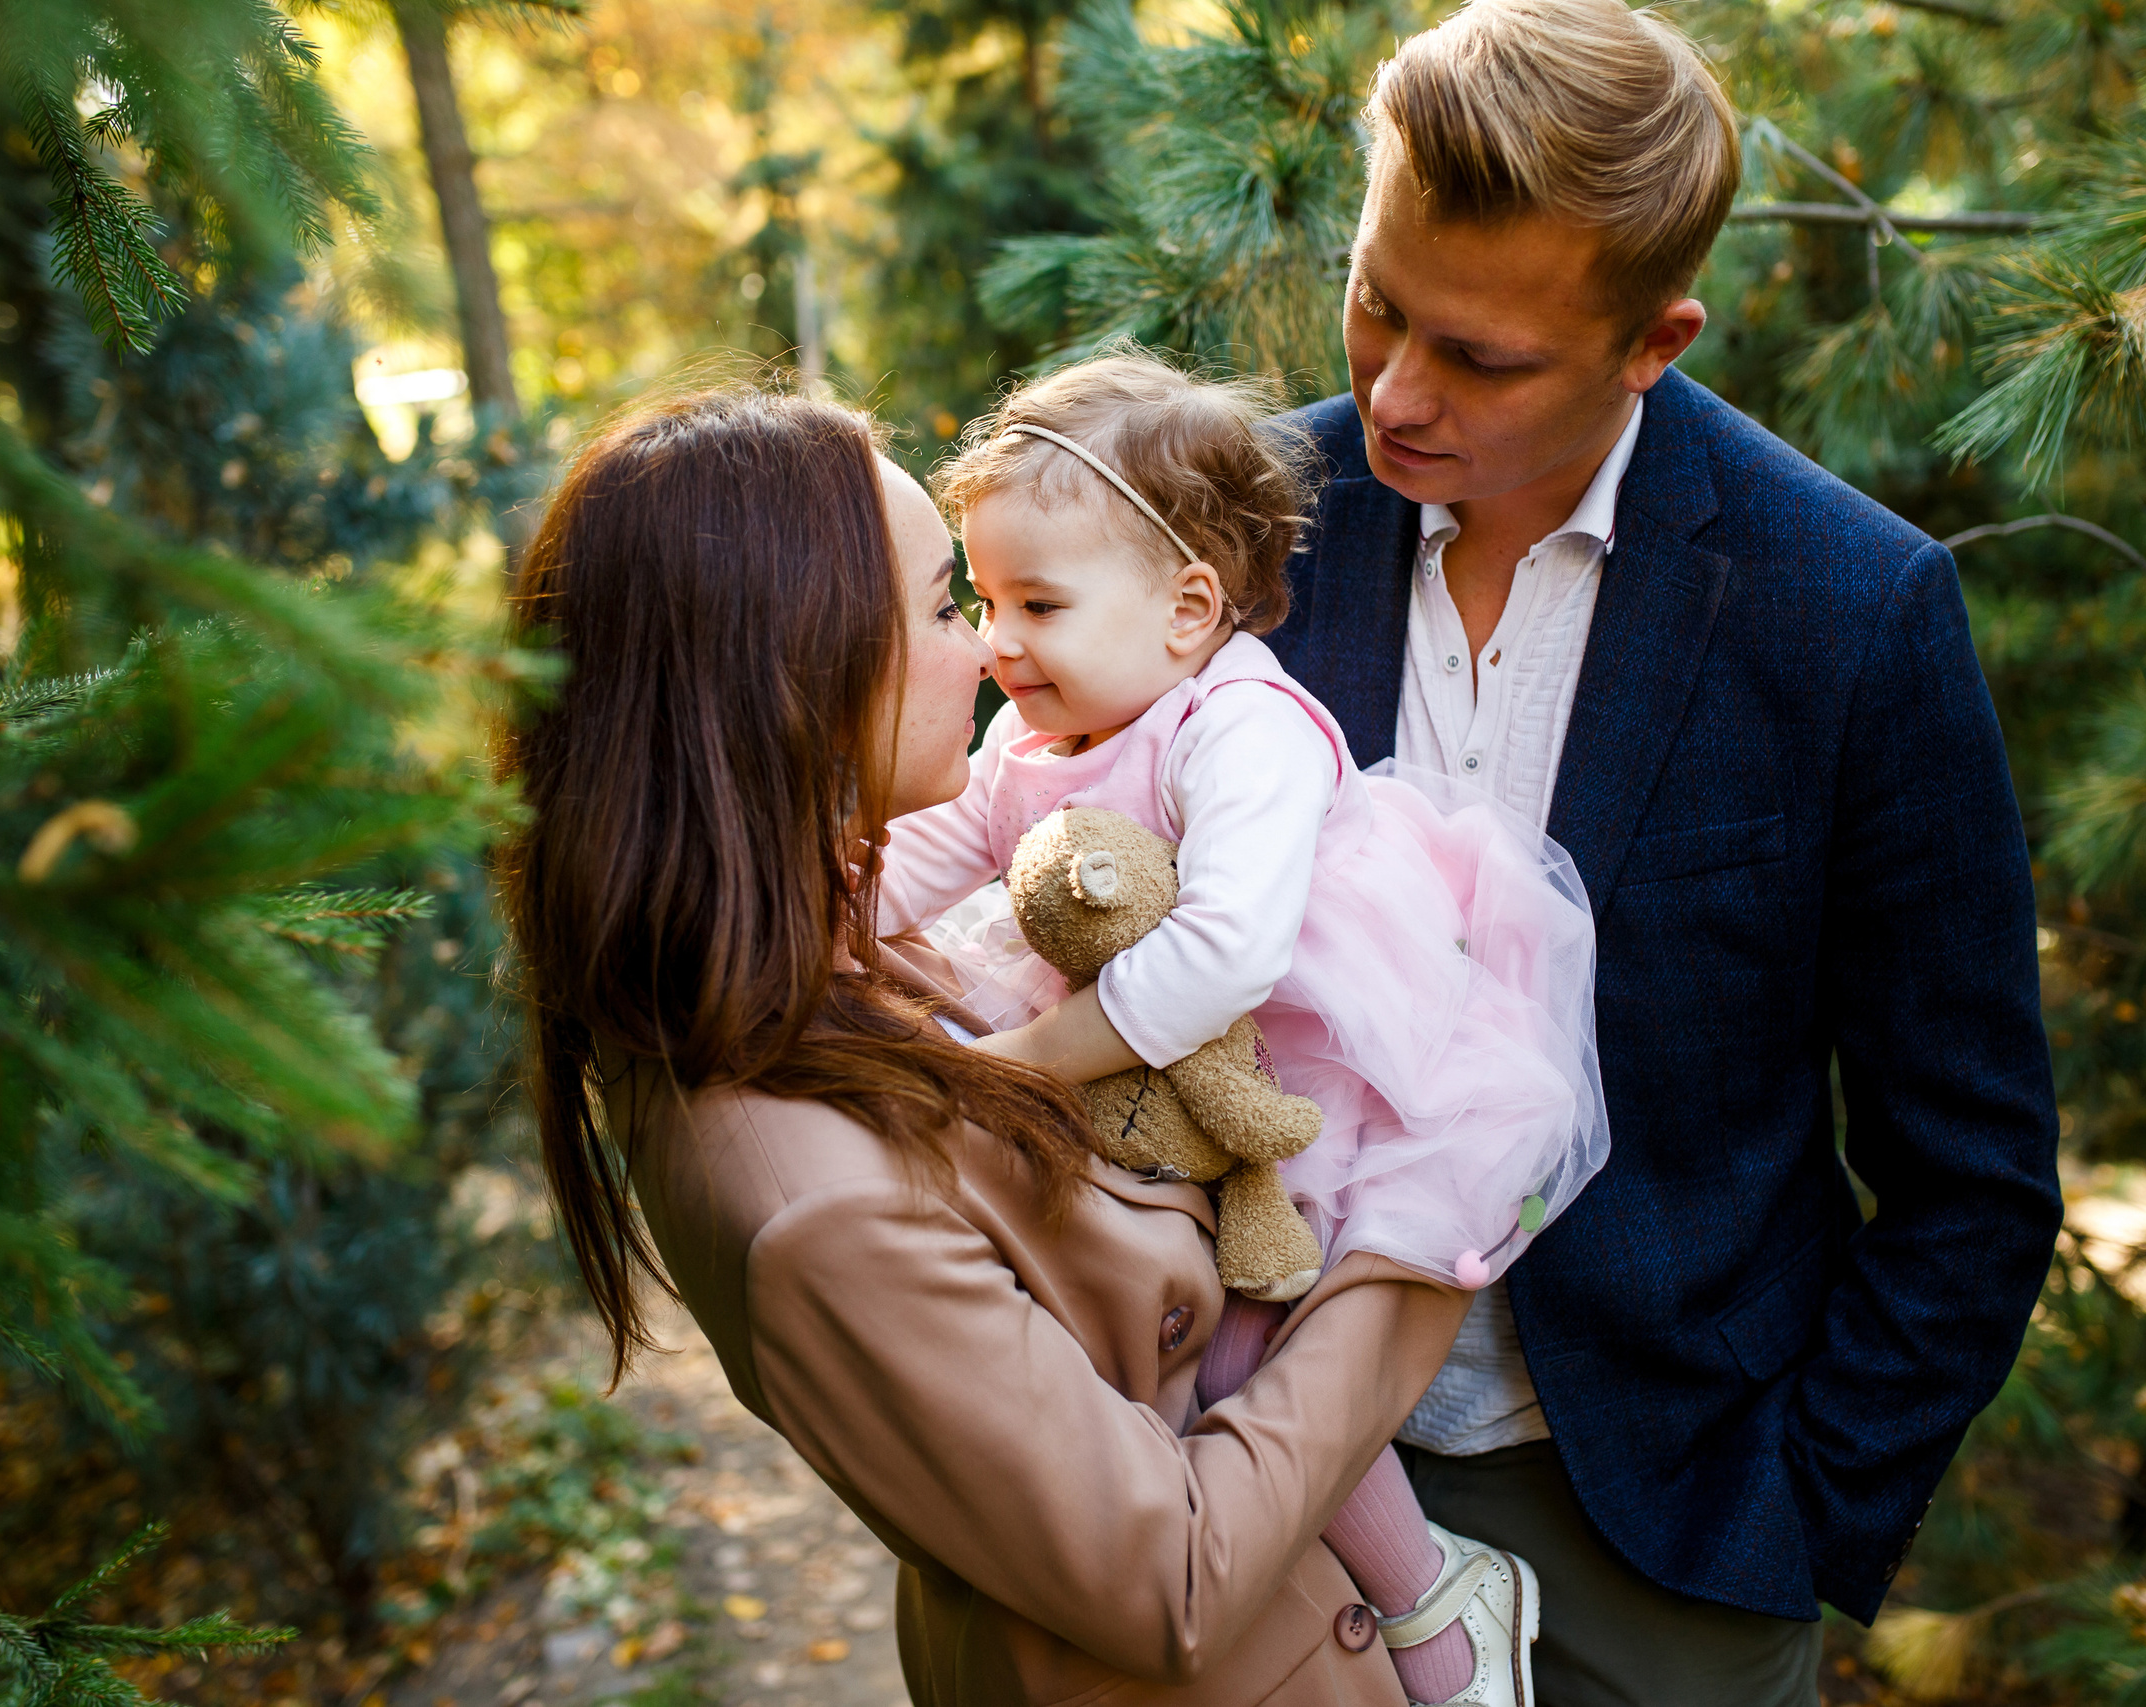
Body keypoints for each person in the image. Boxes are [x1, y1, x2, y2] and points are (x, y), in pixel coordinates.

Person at [1260, 1, 2066, 1702]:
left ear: (1655, 342)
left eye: (1480, 359)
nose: (1396, 390)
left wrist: (1799, 1516)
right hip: (1258, 1490)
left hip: (1661, 1535)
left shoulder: (1853, 611)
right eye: (1376, 301)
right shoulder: (1237, 530)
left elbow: (1972, 1173)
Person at [495, 384, 1480, 1707]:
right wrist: (1414, 1265)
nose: (989, 655)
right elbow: (1172, 1577)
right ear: (792, 670)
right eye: (950, 607)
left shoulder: (797, 967)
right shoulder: (812, 1205)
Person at [876, 351, 1611, 1706]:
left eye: (1037, 602)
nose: (995, 641)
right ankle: (1290, 1604)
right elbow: (910, 873)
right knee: (1160, 1350)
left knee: (1251, 1347)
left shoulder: (1241, 725)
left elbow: (1227, 951)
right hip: (1164, 1090)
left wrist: (1017, 1068)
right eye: (984, 602)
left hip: (1324, 1072)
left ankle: (1432, 1603)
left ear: (1186, 608)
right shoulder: (1026, 750)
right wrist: (785, 919)